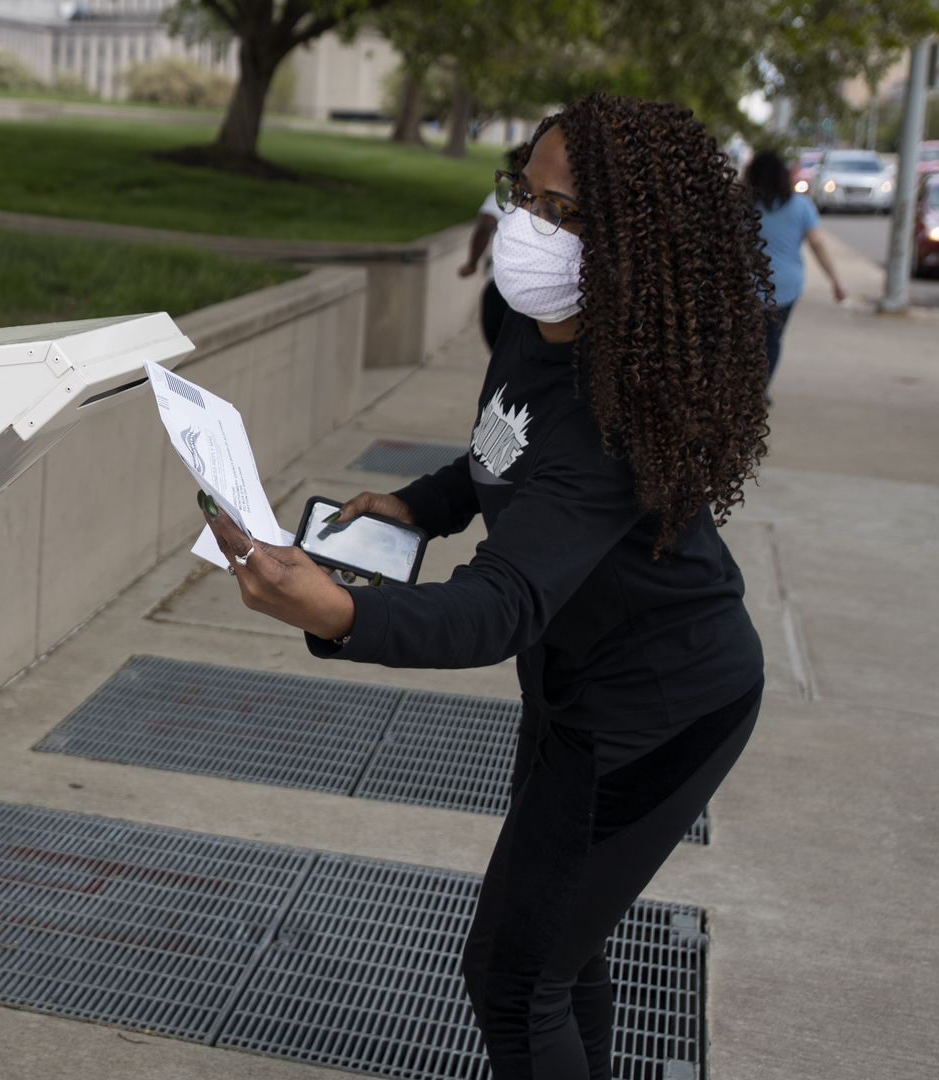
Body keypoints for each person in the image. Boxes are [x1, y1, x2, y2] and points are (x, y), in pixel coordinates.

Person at [201, 94, 771, 1080]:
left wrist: (340, 613)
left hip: (657, 709)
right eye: (525, 193)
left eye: (562, 215)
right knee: (557, 952)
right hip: (576, 683)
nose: (525, 229)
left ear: (635, 252)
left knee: (513, 978)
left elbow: (497, 605)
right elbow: (497, 452)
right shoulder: (529, 319)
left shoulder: (616, 419)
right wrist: (419, 505)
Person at [745, 149, 847, 382]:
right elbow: (818, 244)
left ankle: (747, 387)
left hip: (746, 285)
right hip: (786, 285)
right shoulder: (801, 206)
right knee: (772, 339)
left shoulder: (742, 206)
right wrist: (836, 281)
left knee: (746, 339)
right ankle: (762, 387)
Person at [460, 154, 519, 349]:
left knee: (499, 353)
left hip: (499, 287)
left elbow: (485, 226)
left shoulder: (506, 192)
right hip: (534, 294)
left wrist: (472, 263)